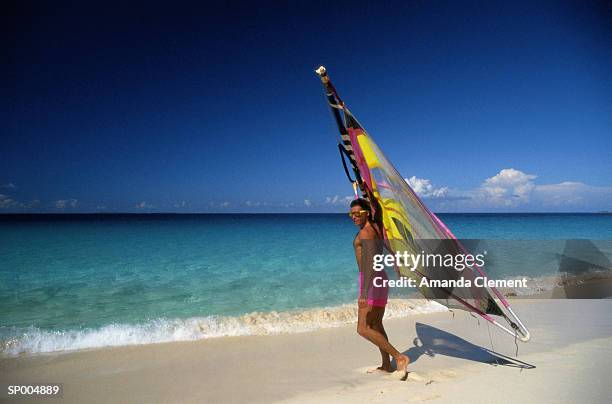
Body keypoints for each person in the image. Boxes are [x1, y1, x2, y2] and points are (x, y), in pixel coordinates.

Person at [350, 198, 409, 377]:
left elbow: (369, 264)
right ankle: (386, 365)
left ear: (367, 212)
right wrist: (364, 185)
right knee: (376, 324)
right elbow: (378, 208)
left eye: (358, 213)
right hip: (379, 278)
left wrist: (363, 293)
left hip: (371, 279)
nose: (354, 217)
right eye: (351, 214)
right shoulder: (376, 226)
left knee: (363, 328)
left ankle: (399, 357)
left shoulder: (367, 232)